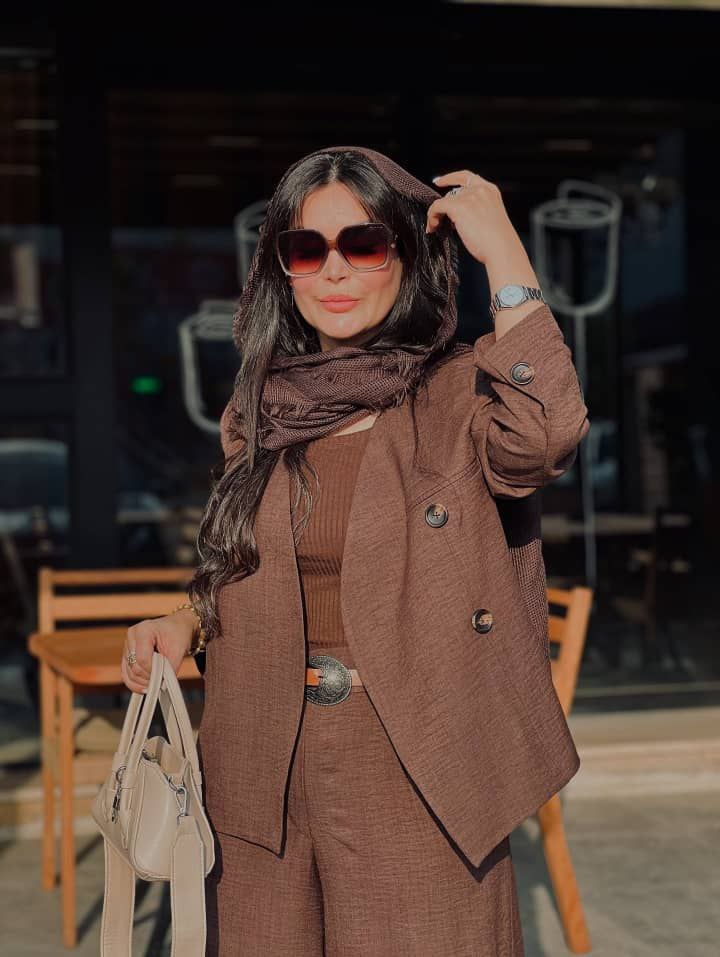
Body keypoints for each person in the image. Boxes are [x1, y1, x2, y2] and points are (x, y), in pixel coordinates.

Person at [121, 145, 590, 956]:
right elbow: (246, 562)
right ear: (283, 271)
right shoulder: (262, 409)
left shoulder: (459, 392)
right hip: (259, 751)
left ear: (405, 258)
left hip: (415, 754)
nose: (334, 269)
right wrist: (186, 619)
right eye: (307, 249)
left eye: (364, 244)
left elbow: (546, 435)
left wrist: (506, 256)